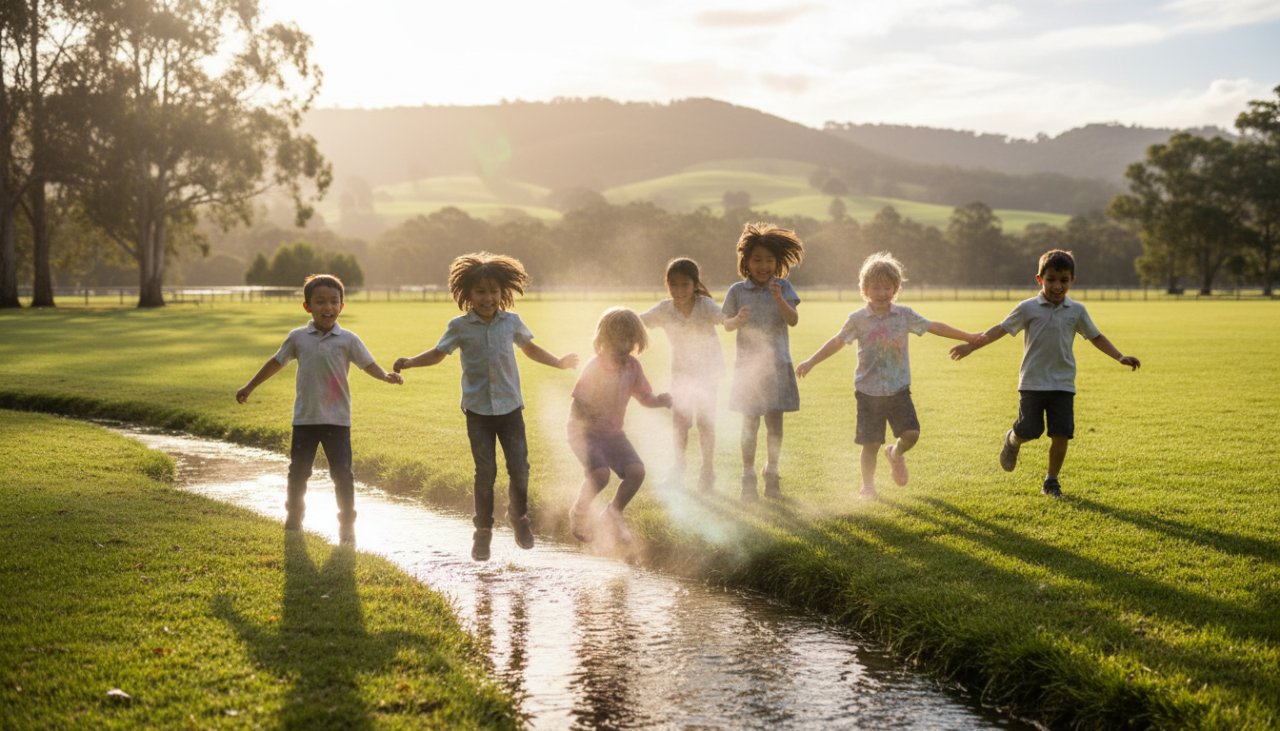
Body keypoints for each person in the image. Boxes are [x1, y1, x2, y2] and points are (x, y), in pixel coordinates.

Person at [393, 252, 578, 562]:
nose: (488, 298)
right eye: (480, 291)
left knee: (520, 469)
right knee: (485, 472)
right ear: (467, 294)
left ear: (503, 293)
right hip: (478, 412)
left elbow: (529, 348)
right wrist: (410, 362)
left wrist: (558, 362)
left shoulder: (511, 322)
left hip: (510, 410)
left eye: (493, 291)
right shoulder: (460, 326)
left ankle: (519, 519)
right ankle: (483, 532)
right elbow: (439, 353)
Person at [950, 249, 1141, 498]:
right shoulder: (1028, 308)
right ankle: (1012, 440)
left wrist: (1119, 356)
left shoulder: (1077, 310)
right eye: (1051, 279)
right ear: (1039, 279)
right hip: (1032, 382)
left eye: (1064, 280)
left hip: (1063, 383)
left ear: (1072, 280)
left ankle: (1051, 481)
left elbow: (1096, 336)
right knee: (1030, 429)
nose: (1057, 286)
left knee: (1061, 433)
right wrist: (971, 346)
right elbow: (1001, 329)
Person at [796, 252, 982, 498]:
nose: (882, 293)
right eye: (875, 287)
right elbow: (838, 341)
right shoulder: (857, 319)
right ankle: (868, 486)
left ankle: (895, 455)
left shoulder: (904, 315)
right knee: (870, 444)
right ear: (865, 289)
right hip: (868, 391)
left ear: (895, 289)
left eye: (887, 287)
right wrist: (811, 361)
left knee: (911, 434)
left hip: (898, 389)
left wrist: (968, 337)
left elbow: (933, 326)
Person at [236, 274, 403, 544]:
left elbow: (367, 364)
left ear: (341, 306)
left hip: (337, 419)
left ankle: (347, 523)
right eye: (320, 302)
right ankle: (294, 520)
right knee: (299, 471)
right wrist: (250, 386)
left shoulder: (348, 339)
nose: (327, 307)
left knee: (342, 473)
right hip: (305, 418)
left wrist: (385, 376)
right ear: (307, 306)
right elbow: (276, 362)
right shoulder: (298, 338)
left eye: (333, 302)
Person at [567, 307, 672, 545]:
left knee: (637, 472)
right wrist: (586, 420)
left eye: (629, 340)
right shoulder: (595, 366)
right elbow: (578, 402)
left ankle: (613, 512)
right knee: (600, 475)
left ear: (636, 341)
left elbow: (645, 397)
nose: (624, 345)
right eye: (618, 340)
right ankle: (579, 512)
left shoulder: (633, 368)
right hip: (584, 432)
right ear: (605, 340)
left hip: (613, 434)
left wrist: (659, 401)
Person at [640, 258, 746, 491]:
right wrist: (617, 321)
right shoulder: (664, 309)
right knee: (680, 423)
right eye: (674, 285)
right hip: (681, 374)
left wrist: (736, 320)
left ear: (695, 284)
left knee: (705, 422)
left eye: (685, 285)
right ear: (667, 285)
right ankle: (678, 470)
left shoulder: (704, 304)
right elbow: (639, 322)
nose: (679, 291)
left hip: (708, 372)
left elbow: (724, 321)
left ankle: (707, 471)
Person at [721, 222, 804, 500]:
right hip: (748, 370)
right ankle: (748, 475)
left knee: (775, 424)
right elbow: (727, 326)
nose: (763, 265)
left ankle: (772, 473)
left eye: (769, 260)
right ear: (746, 261)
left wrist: (779, 299)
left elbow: (793, 320)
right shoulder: (737, 291)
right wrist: (737, 319)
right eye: (757, 260)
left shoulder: (784, 286)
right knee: (750, 424)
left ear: (777, 262)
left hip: (777, 366)